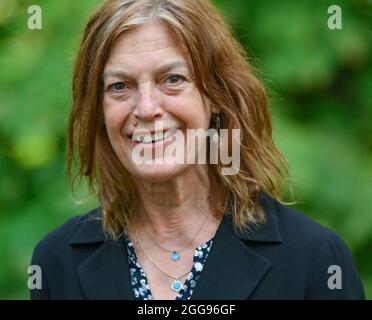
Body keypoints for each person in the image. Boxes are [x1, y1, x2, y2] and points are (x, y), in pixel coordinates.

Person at [30, 0, 365, 300]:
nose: (146, 109)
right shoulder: (57, 263)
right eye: (120, 86)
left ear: (216, 97)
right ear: (99, 112)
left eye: (172, 79)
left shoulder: (314, 261)